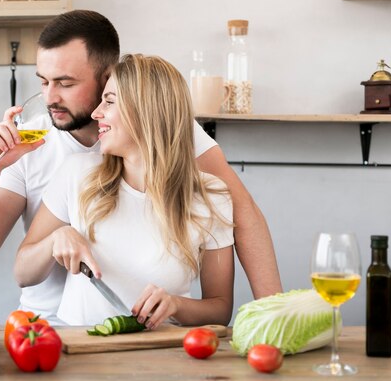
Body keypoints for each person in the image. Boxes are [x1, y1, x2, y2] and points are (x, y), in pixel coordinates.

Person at [0, 10, 281, 323]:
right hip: (51, 326)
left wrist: (276, 319)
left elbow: (241, 213)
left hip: (148, 337)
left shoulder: (170, 130)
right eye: (43, 81)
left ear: (108, 78)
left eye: (65, 83)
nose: (50, 97)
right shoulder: (36, 147)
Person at [15, 54, 234, 327]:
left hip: (162, 354)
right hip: (81, 352)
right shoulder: (77, 173)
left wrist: (177, 305)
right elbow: (23, 273)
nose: (96, 114)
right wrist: (55, 240)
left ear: (147, 111)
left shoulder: (211, 195)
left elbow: (220, 310)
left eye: (109, 101)